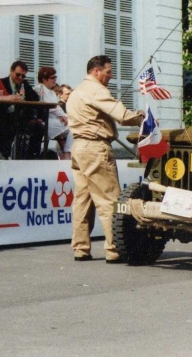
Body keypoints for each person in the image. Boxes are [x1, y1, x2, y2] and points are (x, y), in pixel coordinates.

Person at [66, 55, 144, 263]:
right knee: (109, 199)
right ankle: (114, 248)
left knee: (83, 200)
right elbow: (122, 115)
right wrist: (142, 117)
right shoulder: (96, 90)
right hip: (96, 147)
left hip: (78, 147)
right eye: (108, 72)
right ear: (96, 71)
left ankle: (80, 248)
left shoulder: (76, 92)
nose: (111, 77)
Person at [0, 60, 42, 158]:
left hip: (21, 117)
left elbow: (35, 98)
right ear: (11, 71)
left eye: (23, 76)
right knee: (8, 125)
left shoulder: (24, 84)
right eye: (18, 75)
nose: (20, 78)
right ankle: (5, 156)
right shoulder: (2, 82)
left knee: (39, 127)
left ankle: (31, 158)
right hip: (5, 116)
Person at [36, 67, 73, 159]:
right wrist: (62, 115)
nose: (55, 79)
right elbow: (49, 107)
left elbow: (57, 108)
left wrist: (63, 116)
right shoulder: (38, 89)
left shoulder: (52, 92)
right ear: (44, 79)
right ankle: (67, 153)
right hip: (44, 121)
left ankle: (67, 152)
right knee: (74, 126)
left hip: (53, 119)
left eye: (55, 77)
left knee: (75, 126)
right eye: (52, 77)